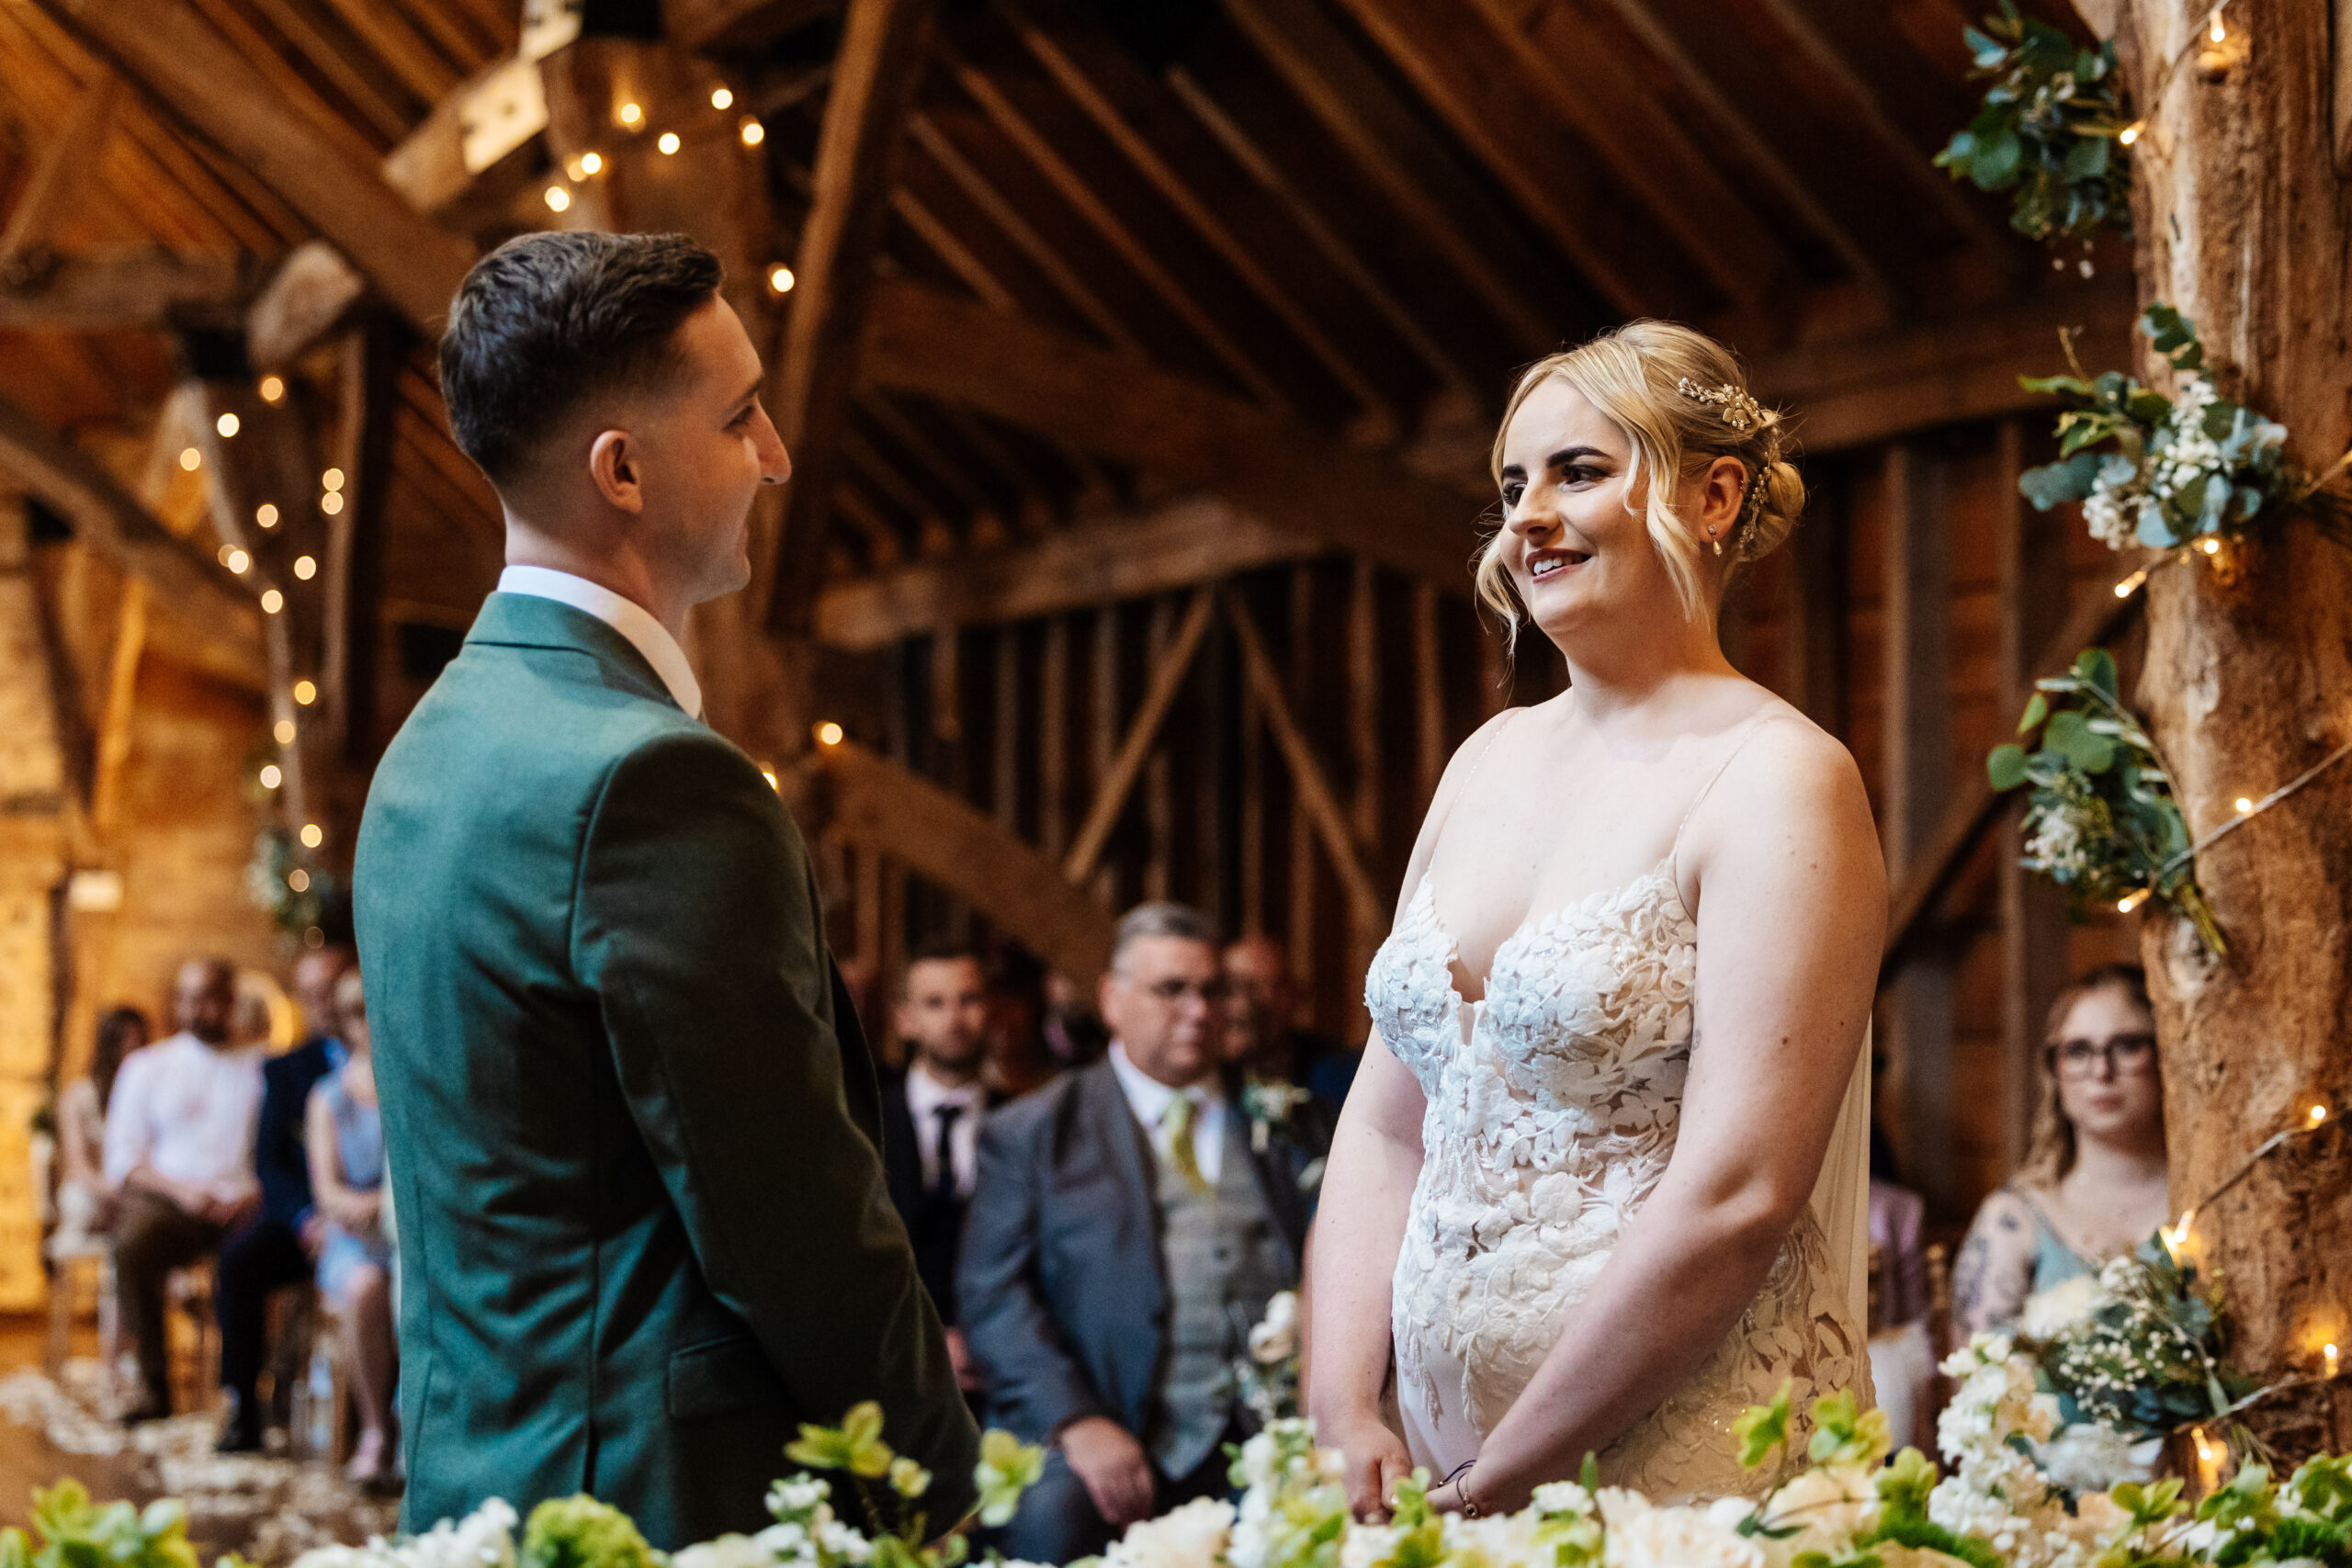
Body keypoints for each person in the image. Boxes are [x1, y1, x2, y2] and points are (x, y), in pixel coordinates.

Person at [355, 231, 975, 1547]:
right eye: (742, 413)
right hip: (660, 1496)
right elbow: (793, 1223)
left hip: (480, 1473)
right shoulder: (651, 779)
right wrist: (947, 1483)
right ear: (621, 469)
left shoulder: (430, 744)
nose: (776, 455)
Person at [1308, 323, 1884, 1516]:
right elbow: (1386, 1121)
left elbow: (1739, 1187)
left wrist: (1510, 1471)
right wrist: (1341, 1407)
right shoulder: (1485, 760)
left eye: (1578, 471)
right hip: (1429, 1469)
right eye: (1513, 484)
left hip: (1679, 1466)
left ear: (1713, 492)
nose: (1526, 517)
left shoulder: (1777, 777)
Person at [961, 903, 1332, 1565]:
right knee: (1052, 1515)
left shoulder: (1291, 1121)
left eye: (1212, 989)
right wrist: (1077, 1422)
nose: (1198, 1009)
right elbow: (993, 1297)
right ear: (1112, 998)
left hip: (1265, 1431)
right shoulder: (1034, 1132)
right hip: (1105, 1418)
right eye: (1172, 989)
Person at [1954, 964, 2167, 1337]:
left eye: (2127, 1045)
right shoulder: (2013, 1219)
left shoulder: (2211, 1204)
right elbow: (1974, 1380)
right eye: (2078, 1050)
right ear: (2054, 1072)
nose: (2102, 1070)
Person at [103, 958, 265, 1421]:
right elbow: (124, 1158)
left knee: (253, 1259)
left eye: (211, 998)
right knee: (132, 1243)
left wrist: (252, 1194)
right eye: (190, 999)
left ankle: (244, 1397)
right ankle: (154, 1385)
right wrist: (182, 1193)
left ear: (230, 1002)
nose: (201, 1010)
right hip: (172, 1202)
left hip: (245, 1204)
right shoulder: (148, 1066)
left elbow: (278, 1153)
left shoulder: (259, 1068)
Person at [215, 942, 355, 1452]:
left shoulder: (389, 1059)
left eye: (329, 991)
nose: (322, 1005)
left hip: (368, 1220)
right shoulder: (287, 1070)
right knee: (239, 1261)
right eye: (310, 995)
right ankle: (243, 1409)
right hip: (307, 1222)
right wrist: (306, 1217)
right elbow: (269, 1163)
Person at [877, 942, 1004, 1394]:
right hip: (890, 1370)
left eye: (968, 1000)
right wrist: (927, 1342)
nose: (954, 1019)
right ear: (905, 1019)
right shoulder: (864, 1121)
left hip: (995, 1374)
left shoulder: (1026, 1123)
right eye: (934, 1003)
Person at [307, 969, 396, 1484]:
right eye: (354, 1012)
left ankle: (414, 1431)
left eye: (370, 1008)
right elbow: (326, 1189)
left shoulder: (406, 1082)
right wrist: (361, 1206)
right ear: (343, 1022)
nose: (365, 1022)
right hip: (352, 1240)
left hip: (399, 1236)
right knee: (366, 1289)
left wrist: (387, 1206)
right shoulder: (328, 1097)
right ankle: (375, 1429)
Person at [51, 1007, 148, 1256]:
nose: (132, 1049)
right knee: (81, 1202)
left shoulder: (148, 1095)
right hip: (93, 1188)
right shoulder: (80, 1096)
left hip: (135, 1188)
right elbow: (78, 1164)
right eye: (126, 1041)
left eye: (138, 1041)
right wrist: (108, 1191)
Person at [1221, 935, 1356, 1111]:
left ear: (1295, 995)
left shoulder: (1334, 1074)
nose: (1241, 1005)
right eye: (1230, 989)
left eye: (1273, 988)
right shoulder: (1201, 1077)